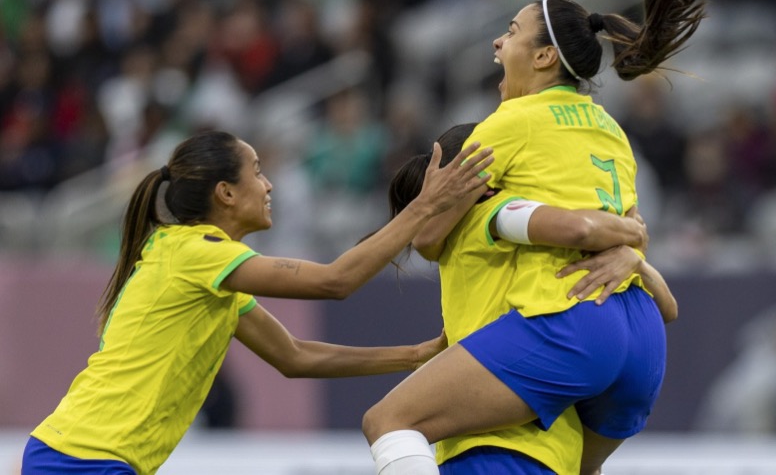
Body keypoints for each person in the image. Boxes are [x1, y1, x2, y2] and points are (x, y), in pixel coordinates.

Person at [362, 0, 752, 474]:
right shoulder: (611, 129)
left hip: (568, 331)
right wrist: (633, 241)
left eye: (512, 31)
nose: (497, 42)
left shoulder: (508, 132)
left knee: (389, 421)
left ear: (545, 58)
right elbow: (650, 270)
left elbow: (426, 236)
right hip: (639, 332)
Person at [22, 129, 494, 475]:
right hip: (82, 459)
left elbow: (295, 356)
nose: (269, 186)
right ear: (225, 193)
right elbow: (335, 281)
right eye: (258, 173)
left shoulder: (206, 270)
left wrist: (418, 355)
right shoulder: (195, 253)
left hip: (79, 456)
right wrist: (425, 206)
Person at [383, 123, 676, 474]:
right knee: (388, 420)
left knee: (387, 422)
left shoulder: (483, 229)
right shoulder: (497, 215)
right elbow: (577, 228)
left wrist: (634, 259)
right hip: (551, 442)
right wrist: (632, 237)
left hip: (490, 444)